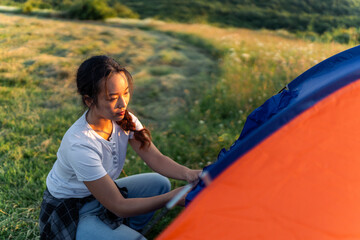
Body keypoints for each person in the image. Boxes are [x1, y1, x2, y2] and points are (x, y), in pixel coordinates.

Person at [39, 55, 201, 240]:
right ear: (89, 100)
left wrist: (189, 173)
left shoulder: (124, 119)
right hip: (73, 210)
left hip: (101, 197)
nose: (123, 103)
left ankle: (130, 230)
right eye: (112, 97)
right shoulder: (80, 144)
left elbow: (156, 158)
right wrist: (170, 198)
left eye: (125, 93)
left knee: (159, 183)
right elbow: (119, 206)